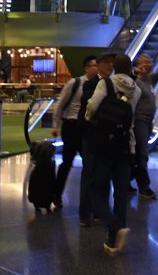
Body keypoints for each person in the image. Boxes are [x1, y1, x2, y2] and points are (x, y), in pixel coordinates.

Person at [84, 53, 140, 255]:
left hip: (104, 143)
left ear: (114, 67)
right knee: (120, 191)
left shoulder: (106, 84)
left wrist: (91, 120)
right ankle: (114, 239)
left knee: (95, 187)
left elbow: (92, 106)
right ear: (130, 68)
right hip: (125, 144)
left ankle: (114, 226)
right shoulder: (137, 90)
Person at [52, 55, 98, 208]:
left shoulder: (99, 85)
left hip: (87, 127)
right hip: (71, 125)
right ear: (86, 68)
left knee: (89, 163)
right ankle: (57, 194)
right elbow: (61, 103)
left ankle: (88, 200)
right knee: (67, 162)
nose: (96, 68)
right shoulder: (75, 83)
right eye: (94, 65)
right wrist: (55, 125)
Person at [130, 51, 158, 199]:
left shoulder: (149, 79)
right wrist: (134, 72)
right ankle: (144, 186)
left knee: (138, 154)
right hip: (138, 120)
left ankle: (126, 181)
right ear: (137, 65)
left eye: (150, 61)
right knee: (142, 153)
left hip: (148, 121)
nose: (149, 64)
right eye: (144, 61)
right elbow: (124, 78)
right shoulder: (134, 79)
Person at [77, 52, 111, 227]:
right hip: (91, 136)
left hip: (107, 137)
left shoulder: (113, 83)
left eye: (111, 63)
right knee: (89, 174)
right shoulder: (90, 84)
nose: (110, 66)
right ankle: (85, 213)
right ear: (98, 65)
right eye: (106, 63)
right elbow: (89, 105)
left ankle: (100, 211)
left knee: (103, 174)